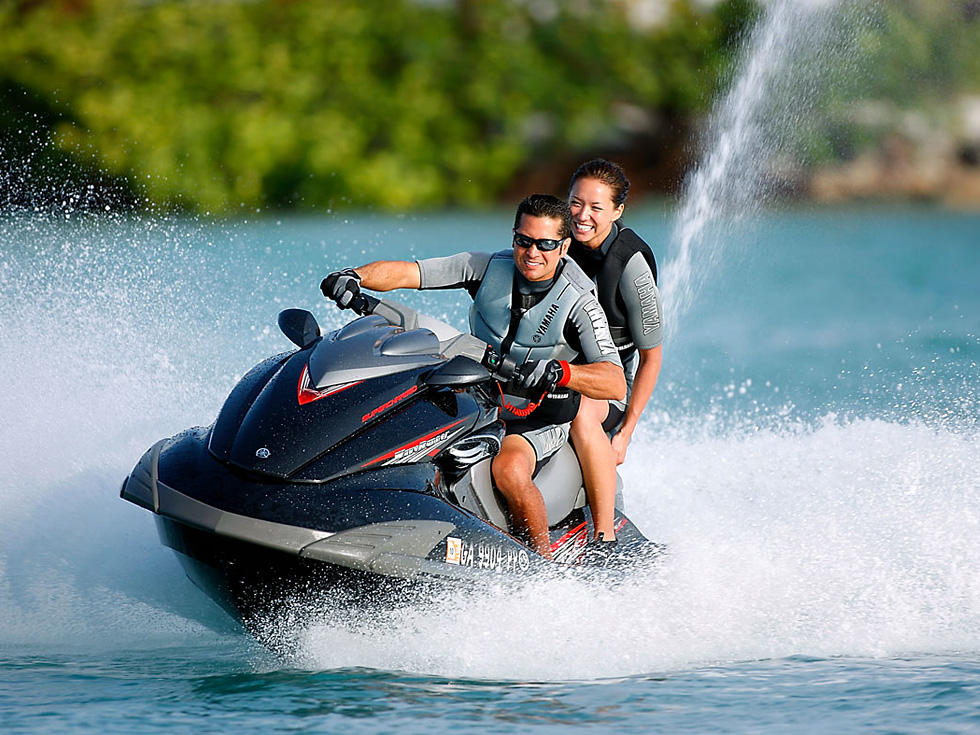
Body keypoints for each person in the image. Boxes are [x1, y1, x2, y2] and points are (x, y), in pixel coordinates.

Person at [321, 194, 625, 559]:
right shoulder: (483, 267)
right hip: (478, 393)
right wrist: (355, 276)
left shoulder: (580, 302)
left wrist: (561, 370)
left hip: (537, 413)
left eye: (545, 245)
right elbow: (408, 272)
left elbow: (613, 381)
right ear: (514, 236)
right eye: (524, 241)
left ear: (564, 246)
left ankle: (542, 570)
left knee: (510, 470)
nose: (532, 253)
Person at [565, 159, 663, 547]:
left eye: (596, 208)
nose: (582, 216)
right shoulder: (553, 241)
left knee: (584, 412)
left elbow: (651, 357)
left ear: (618, 211)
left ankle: (603, 537)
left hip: (607, 385)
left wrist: (625, 434)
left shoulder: (631, 265)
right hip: (552, 366)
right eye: (575, 203)